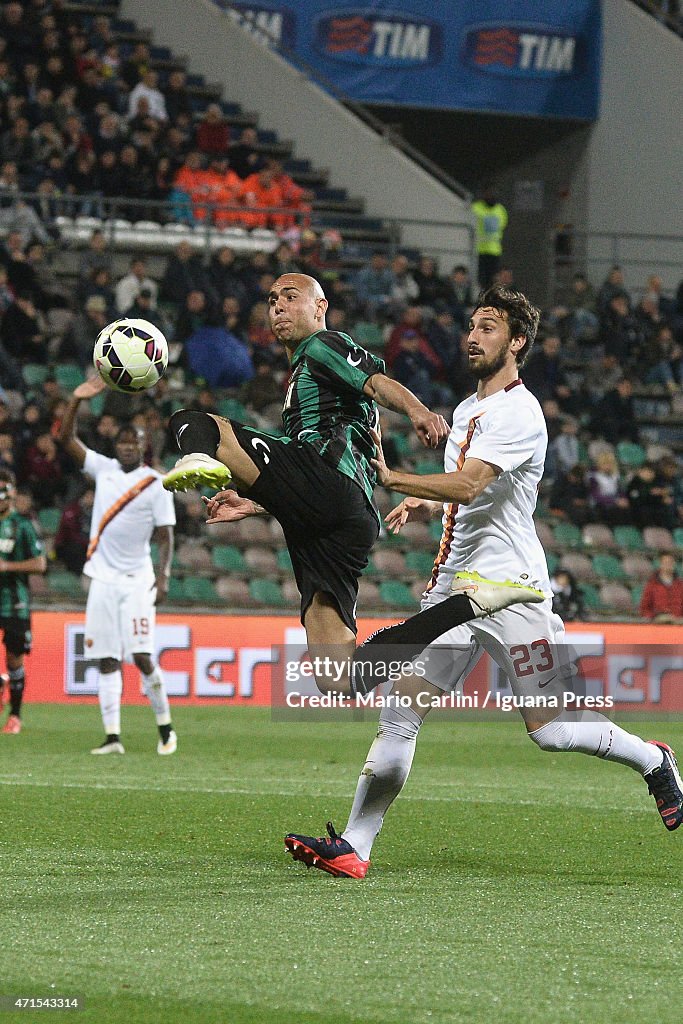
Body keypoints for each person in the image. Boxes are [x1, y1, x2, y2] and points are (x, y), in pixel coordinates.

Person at [284, 283, 683, 878]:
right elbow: (471, 495)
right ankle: (356, 848)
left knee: (550, 729)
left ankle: (654, 761)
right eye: (472, 325)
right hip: (454, 586)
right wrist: (423, 504)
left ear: (517, 342)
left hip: (511, 587)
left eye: (489, 327)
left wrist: (396, 482)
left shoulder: (520, 412)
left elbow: (470, 484)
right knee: (401, 709)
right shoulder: (470, 411)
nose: (473, 336)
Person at [163, 274, 536, 694]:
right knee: (339, 678)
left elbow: (375, 382)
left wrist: (418, 411)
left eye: (291, 297)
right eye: (271, 300)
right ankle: (468, 605)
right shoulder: (306, 381)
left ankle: (195, 455)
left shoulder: (325, 345)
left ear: (319, 308)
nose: (278, 307)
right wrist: (261, 501)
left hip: (331, 487)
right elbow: (313, 445)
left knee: (194, 422)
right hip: (342, 515)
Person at [58, 378, 178, 755]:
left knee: (141, 656)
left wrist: (164, 576)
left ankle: (165, 728)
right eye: (123, 441)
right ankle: (112, 737)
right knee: (106, 658)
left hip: (138, 580)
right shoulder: (104, 470)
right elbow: (66, 440)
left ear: (144, 446)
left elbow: (165, 536)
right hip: (103, 579)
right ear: (116, 445)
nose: (127, 446)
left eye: (134, 441)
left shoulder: (156, 484)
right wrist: (76, 400)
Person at [0, 468, 46, 735]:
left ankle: (15, 715)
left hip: (14, 603)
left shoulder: (23, 525)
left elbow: (40, 564)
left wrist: (7, 566)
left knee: (14, 659)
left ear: (12, 494)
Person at [472, 184, 508, 289]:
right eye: (488, 194)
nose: (491, 196)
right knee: (480, 279)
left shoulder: (501, 210)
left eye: (493, 194)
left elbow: (502, 226)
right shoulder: (476, 208)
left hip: (494, 250)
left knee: (492, 279)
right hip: (479, 250)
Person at [639, 553, 683, 622]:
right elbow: (644, 607)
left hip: (678, 622)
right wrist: (654, 617)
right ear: (661, 564)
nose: (668, 565)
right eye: (666, 562)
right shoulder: (652, 584)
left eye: (671, 562)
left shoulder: (680, 585)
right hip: (658, 622)